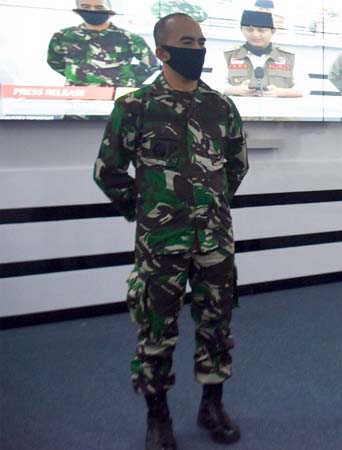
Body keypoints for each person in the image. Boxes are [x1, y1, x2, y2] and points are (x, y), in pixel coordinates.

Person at [93, 13, 248, 450]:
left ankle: (211, 404)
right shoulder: (135, 106)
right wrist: (146, 212)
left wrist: (212, 206)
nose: (196, 49)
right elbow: (108, 171)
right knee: (156, 328)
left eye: (201, 41)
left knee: (216, 324)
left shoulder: (221, 106)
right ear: (162, 51)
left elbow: (236, 166)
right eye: (186, 42)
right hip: (160, 243)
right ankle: (157, 415)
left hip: (215, 240)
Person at [47, 0, 157, 87]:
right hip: (78, 96)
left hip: (117, 95)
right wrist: (77, 76)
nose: (92, 10)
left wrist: (127, 80)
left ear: (111, 13)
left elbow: (151, 65)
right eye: (86, 7)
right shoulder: (63, 36)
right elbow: (55, 62)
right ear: (77, 11)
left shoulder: (129, 38)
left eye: (99, 7)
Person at [223, 10, 302, 98]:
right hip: (240, 109)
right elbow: (214, 85)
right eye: (249, 30)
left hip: (279, 109)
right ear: (241, 30)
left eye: (262, 30)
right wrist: (236, 90)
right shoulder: (228, 56)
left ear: (273, 31)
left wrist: (280, 92)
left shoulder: (289, 57)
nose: (255, 34)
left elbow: (304, 88)